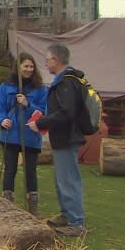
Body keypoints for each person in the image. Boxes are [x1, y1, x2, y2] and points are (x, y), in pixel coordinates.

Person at [29, 43, 87, 237]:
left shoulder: (67, 82)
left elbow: (66, 112)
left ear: (56, 60)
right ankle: (66, 214)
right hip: (62, 136)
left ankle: (76, 222)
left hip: (67, 136)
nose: (45, 63)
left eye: (47, 60)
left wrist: (42, 122)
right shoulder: (63, 81)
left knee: (68, 179)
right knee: (61, 179)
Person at [0, 52, 47, 215]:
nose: (29, 69)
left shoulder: (41, 89)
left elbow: (43, 112)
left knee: (31, 170)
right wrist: (1, 120)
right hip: (10, 134)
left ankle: (32, 207)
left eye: (31, 66)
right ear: (18, 67)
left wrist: (27, 104)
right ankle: (7, 205)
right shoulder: (6, 87)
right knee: (10, 169)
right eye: (25, 66)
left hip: (30, 135)